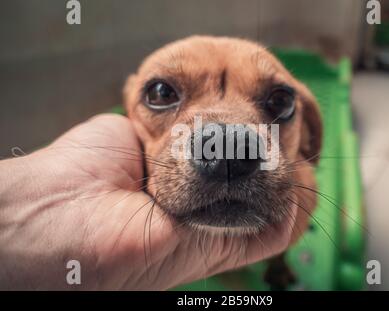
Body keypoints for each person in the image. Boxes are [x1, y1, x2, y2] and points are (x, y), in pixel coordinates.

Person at [0, 114, 297, 290]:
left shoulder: (300, 196)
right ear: (128, 115)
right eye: (163, 95)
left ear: (311, 134)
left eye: (277, 105)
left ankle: (278, 264)